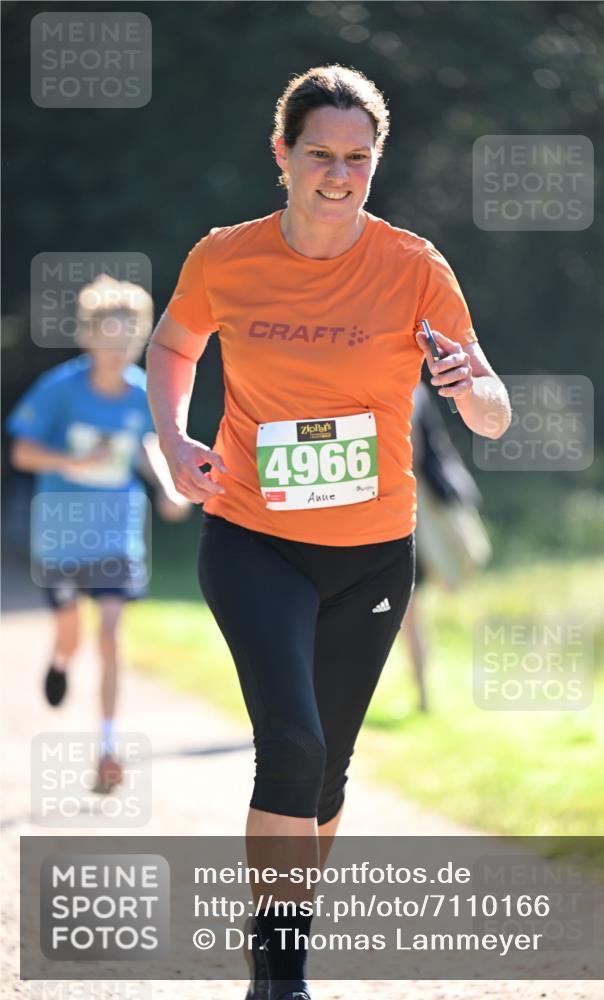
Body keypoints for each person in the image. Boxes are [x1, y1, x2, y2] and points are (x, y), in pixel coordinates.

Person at [146, 64, 511, 1000]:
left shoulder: (415, 266)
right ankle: (280, 981)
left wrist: (472, 391)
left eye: (358, 157)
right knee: (293, 747)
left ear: (375, 159)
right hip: (253, 537)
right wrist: (174, 437)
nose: (338, 175)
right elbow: (174, 345)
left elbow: (493, 413)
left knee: (329, 774)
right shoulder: (225, 257)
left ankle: (281, 959)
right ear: (282, 154)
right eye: (319, 154)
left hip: (374, 551)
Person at [7, 274, 189, 793]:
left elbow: (148, 442)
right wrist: (71, 459)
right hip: (61, 535)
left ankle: (107, 748)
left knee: (109, 635)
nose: (117, 350)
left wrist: (167, 488)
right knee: (72, 632)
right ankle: (61, 658)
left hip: (116, 534)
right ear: (87, 337)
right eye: (107, 338)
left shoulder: (141, 393)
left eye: (128, 340)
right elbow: (21, 451)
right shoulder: (60, 389)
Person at [404, 380, 492, 712]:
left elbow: (411, 451)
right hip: (418, 506)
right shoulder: (414, 384)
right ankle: (422, 695)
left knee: (407, 609)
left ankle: (423, 695)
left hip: (413, 508)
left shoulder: (406, 385)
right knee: (408, 610)